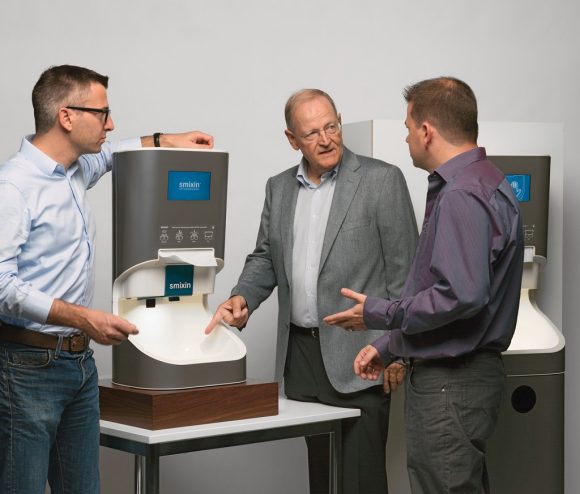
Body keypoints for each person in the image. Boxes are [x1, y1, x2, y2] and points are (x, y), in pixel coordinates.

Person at [0, 64, 214, 494]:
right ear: (66, 117)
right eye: (102, 113)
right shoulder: (14, 187)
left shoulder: (76, 170)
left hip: (80, 364)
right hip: (27, 368)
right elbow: (1, 286)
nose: (110, 123)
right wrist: (84, 318)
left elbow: (115, 152)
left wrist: (165, 140)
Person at [204, 88, 418, 493]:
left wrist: (398, 350)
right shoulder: (279, 188)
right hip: (300, 359)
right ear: (292, 139)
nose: (326, 139)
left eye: (331, 127)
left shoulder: (382, 180)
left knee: (362, 481)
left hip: (363, 357)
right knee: (323, 479)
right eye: (312, 133)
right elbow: (266, 257)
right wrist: (242, 297)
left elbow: (406, 273)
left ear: (340, 122)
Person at [324, 77, 524, 494]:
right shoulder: (486, 181)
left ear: (427, 131)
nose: (406, 137)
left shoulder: (462, 194)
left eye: (408, 127)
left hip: (451, 385)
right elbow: (459, 303)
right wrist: (391, 345)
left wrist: (378, 312)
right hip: (462, 382)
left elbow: (461, 296)